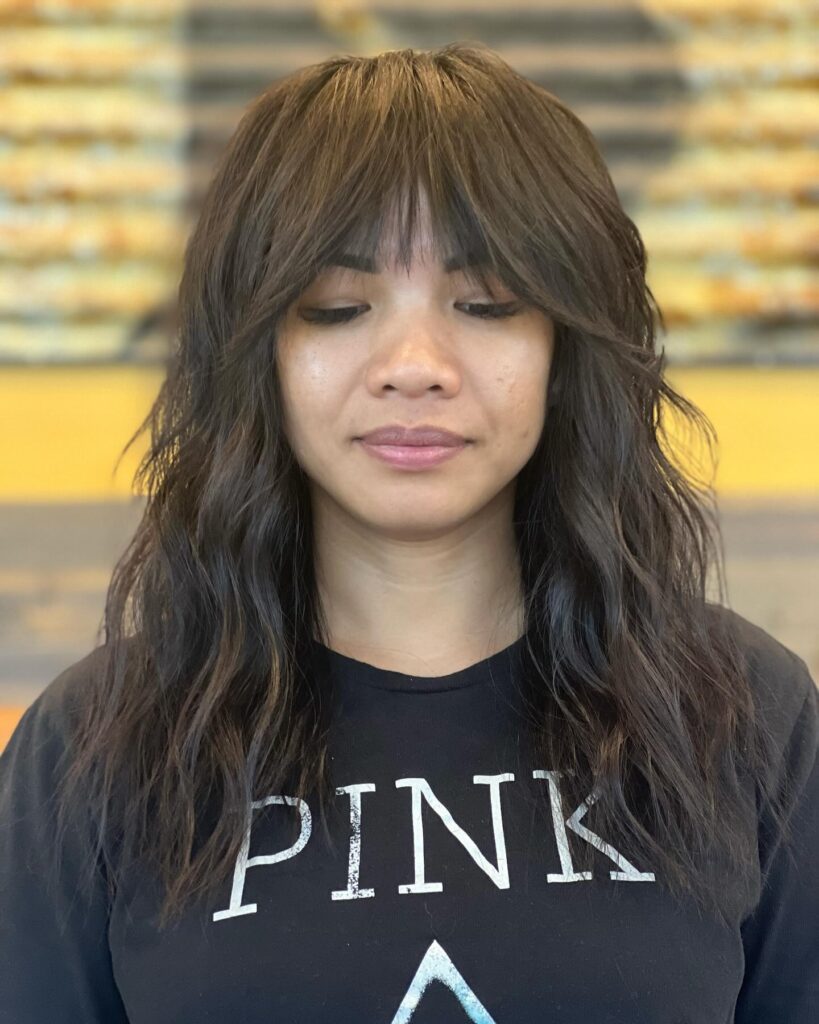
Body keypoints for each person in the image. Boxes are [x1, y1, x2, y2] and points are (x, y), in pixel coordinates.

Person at [0, 42, 816, 1024]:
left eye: (486, 303)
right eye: (338, 308)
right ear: (255, 354)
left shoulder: (745, 717)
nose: (415, 364)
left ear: (565, 347)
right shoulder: (92, 750)